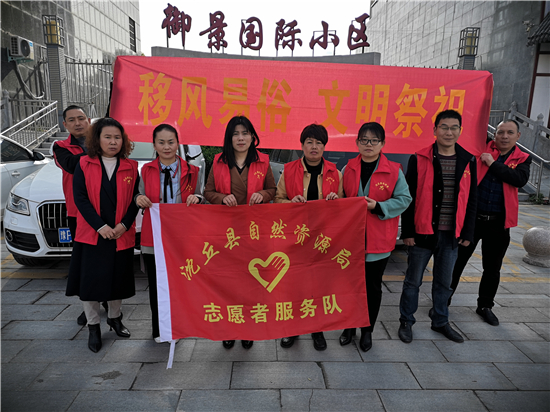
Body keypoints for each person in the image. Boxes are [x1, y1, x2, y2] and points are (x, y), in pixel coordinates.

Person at [398, 109, 477, 344]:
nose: (448, 132)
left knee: (444, 283)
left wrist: (467, 232)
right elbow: (408, 197)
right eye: (444, 127)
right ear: (435, 130)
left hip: (451, 235)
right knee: (413, 281)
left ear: (460, 131)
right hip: (423, 233)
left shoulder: (468, 160)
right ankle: (406, 321)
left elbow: (472, 199)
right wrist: (408, 232)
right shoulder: (419, 158)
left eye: (454, 128)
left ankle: (440, 321)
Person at [66, 117, 140, 353]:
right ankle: (93, 326)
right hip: (92, 234)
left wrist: (123, 225)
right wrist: (100, 227)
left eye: (117, 137)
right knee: (90, 283)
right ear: (97, 139)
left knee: (118, 280)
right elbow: (80, 198)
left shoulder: (131, 166)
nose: (113, 141)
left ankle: (115, 319)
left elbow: (135, 200)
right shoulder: (84, 164)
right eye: (107, 137)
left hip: (120, 233)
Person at [204, 115, 276, 350]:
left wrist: (263, 195)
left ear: (252, 137)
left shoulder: (263, 161)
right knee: (229, 281)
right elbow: (208, 192)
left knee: (251, 281)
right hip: (228, 233)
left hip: (254, 231)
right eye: (235, 134)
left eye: (245, 133)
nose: (241, 138)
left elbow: (272, 189)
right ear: (229, 138)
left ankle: (247, 328)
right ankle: (229, 328)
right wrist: (222, 198)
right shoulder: (219, 161)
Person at [450, 120, 531, 325]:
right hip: (472, 220)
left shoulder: (522, 158)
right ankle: (443, 300)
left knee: (492, 268)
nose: (504, 136)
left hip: (498, 223)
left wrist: (492, 164)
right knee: (457, 262)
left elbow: (518, 179)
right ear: (494, 134)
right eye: (500, 132)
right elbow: (470, 127)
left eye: (510, 133)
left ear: (518, 136)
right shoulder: (482, 147)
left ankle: (485, 306)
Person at [339, 122, 412, 352]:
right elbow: (341, 198)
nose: (368, 144)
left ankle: (367, 330)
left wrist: (378, 206)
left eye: (374, 140)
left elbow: (404, 199)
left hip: (378, 240)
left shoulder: (394, 170)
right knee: (349, 287)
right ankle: (349, 326)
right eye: (364, 140)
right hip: (351, 241)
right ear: (357, 142)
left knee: (372, 287)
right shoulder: (348, 168)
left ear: (382, 144)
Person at [274, 123, 344, 351]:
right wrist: (290, 203)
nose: (314, 147)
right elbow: (277, 200)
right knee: (294, 284)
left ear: (325, 146)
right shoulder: (289, 170)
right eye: (309, 142)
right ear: (302, 145)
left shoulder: (335, 173)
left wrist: (336, 201)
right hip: (296, 238)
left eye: (319, 143)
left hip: (323, 240)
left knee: (319, 285)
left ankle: (317, 329)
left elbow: (344, 207)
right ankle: (292, 329)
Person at [135, 124, 203, 343]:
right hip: (154, 236)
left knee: (181, 283)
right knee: (157, 284)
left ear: (178, 144)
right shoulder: (146, 170)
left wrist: (197, 198)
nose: (166, 147)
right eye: (161, 142)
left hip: (182, 237)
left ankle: (179, 326)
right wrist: (139, 199)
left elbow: (202, 196)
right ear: (154, 144)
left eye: (171, 142)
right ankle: (159, 329)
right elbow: (138, 194)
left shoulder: (192, 171)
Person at [53, 105, 95, 326]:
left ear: (88, 120)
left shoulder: (103, 141)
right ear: (65, 124)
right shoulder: (60, 147)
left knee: (106, 260)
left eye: (81, 118)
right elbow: (71, 165)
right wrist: (98, 150)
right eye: (72, 120)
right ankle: (89, 306)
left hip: (106, 211)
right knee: (84, 262)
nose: (77, 123)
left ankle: (109, 301)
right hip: (78, 214)